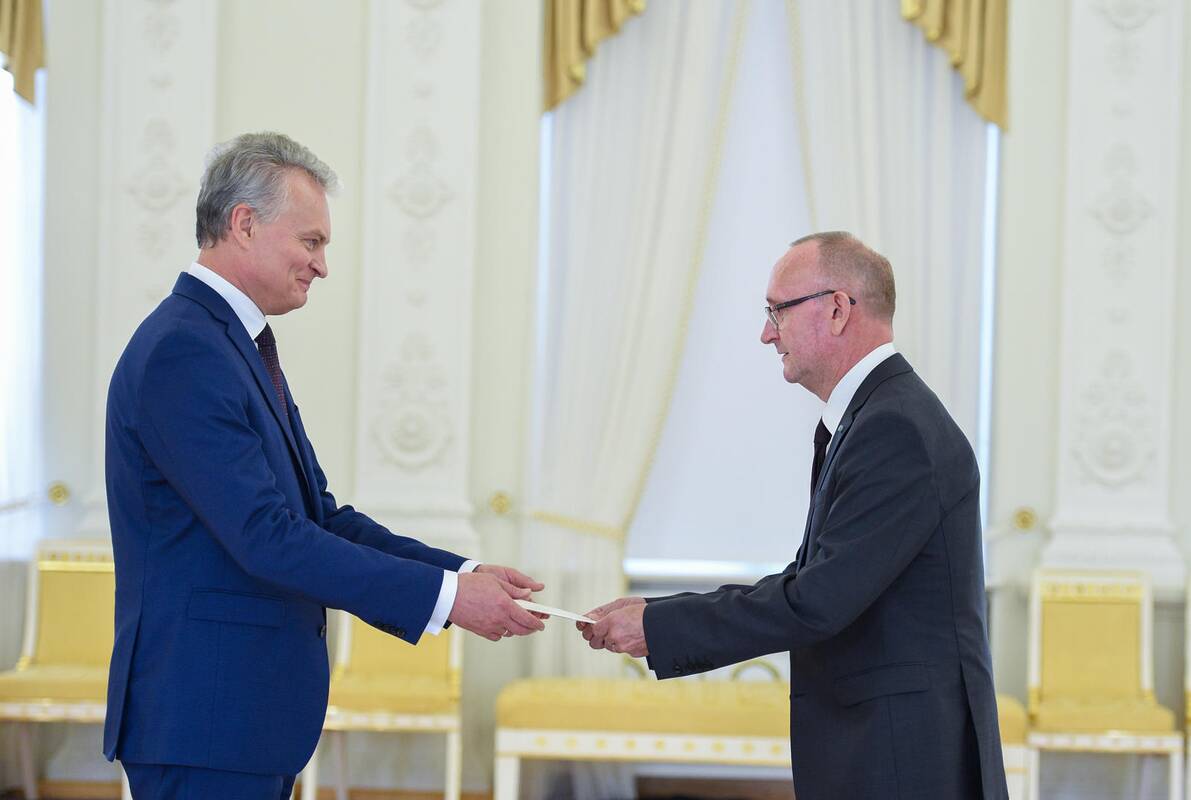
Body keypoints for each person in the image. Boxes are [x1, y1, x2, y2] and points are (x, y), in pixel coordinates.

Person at [103, 131, 544, 799]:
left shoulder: (230, 345)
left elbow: (320, 517)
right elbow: (267, 538)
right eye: (311, 241)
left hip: (237, 721)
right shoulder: (184, 352)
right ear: (244, 224)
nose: (322, 265)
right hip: (203, 722)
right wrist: (450, 600)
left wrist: (460, 574)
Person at [580, 232, 1008, 799]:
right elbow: (813, 582)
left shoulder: (894, 426)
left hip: (901, 757)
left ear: (837, 309)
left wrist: (658, 627)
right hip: (886, 747)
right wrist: (656, 613)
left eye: (777, 310)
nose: (767, 333)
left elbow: (818, 602)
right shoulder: (873, 415)